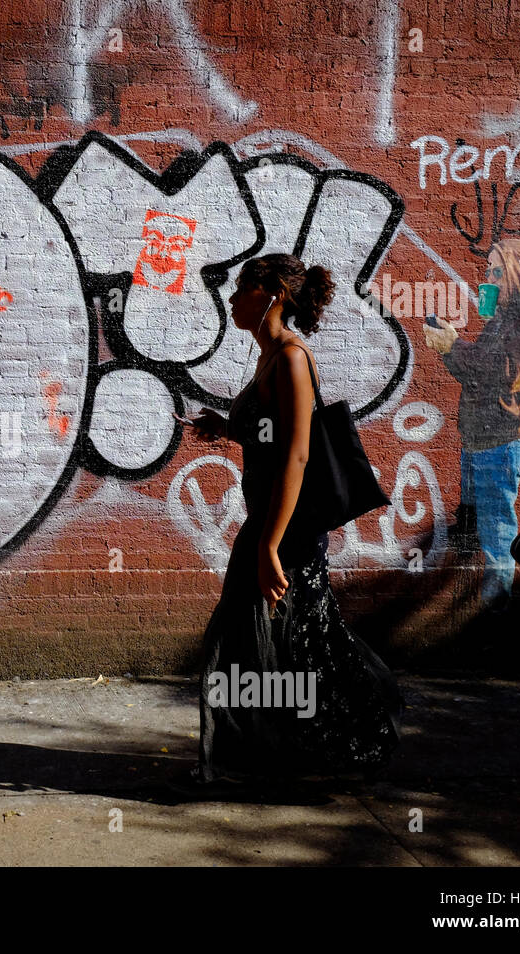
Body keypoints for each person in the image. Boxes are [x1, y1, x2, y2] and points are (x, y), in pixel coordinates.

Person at [185, 254, 402, 785]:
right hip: (271, 527)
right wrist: (227, 427)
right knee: (287, 643)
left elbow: (297, 456)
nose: (233, 299)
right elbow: (272, 438)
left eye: (244, 289)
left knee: (274, 643)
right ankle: (286, 756)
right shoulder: (269, 359)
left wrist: (269, 546)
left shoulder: (291, 358)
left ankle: (320, 745)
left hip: (286, 534)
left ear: (274, 294)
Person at [423, 238, 520, 611]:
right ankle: (479, 611)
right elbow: (476, 373)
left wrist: (453, 346)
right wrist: (447, 348)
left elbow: (501, 374)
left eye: (497, 271)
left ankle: (495, 617)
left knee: (497, 533)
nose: (489, 278)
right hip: (478, 438)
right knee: (474, 527)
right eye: (488, 271)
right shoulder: (504, 318)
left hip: (501, 443)